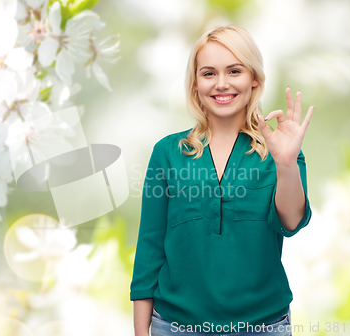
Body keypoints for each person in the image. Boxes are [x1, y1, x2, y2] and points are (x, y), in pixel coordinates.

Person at [130, 25, 314, 336]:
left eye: (234, 71)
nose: (222, 84)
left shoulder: (279, 149)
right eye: (209, 73)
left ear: (253, 78)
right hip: (175, 326)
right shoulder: (167, 152)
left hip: (262, 325)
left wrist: (285, 165)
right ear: (195, 84)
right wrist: (140, 330)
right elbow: (149, 246)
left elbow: (292, 222)